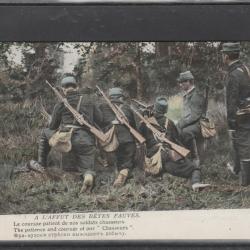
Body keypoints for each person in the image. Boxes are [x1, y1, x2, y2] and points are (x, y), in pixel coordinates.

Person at [29, 76, 102, 192]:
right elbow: (100, 119)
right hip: (86, 140)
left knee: (44, 133)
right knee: (87, 167)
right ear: (76, 87)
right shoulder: (89, 101)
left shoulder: (60, 104)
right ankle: (88, 175)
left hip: (66, 140)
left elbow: (52, 126)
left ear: (63, 89)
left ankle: (41, 164)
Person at [139, 96, 209, 191]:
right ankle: (195, 183)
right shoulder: (170, 122)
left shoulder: (144, 122)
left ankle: (153, 178)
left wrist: (145, 118)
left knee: (159, 168)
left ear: (154, 108)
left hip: (153, 160)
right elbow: (177, 140)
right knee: (194, 168)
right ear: (165, 110)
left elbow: (139, 140)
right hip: (168, 156)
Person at [221, 42, 250, 186]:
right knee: (242, 142)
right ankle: (237, 169)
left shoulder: (232, 75)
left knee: (243, 144)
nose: (222, 57)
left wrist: (231, 124)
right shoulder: (245, 69)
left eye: (223, 54)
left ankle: (245, 182)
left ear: (226, 56)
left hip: (241, 115)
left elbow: (231, 103)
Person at [98, 87, 136, 187]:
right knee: (126, 161)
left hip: (111, 141)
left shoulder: (102, 107)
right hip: (127, 139)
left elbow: (99, 123)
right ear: (121, 98)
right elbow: (133, 126)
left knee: (114, 160)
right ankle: (123, 173)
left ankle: (115, 175)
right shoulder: (127, 108)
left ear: (110, 97)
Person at [176, 71, 206, 167]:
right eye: (180, 82)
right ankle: (183, 157)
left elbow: (194, 115)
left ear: (189, 82)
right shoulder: (188, 95)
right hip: (192, 123)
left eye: (182, 82)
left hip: (199, 124)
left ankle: (195, 158)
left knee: (185, 132)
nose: (180, 85)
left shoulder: (196, 95)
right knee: (175, 129)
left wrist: (180, 123)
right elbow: (186, 114)